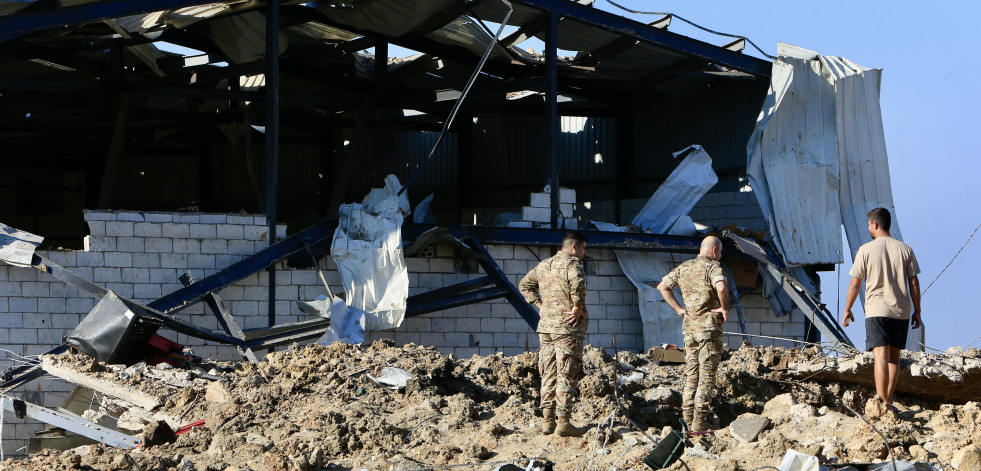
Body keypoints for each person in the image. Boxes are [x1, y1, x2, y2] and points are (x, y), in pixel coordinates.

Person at [842, 208, 921, 410]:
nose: (868, 227)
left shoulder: (865, 250)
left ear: (875, 224)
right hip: (900, 311)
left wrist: (847, 309)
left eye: (869, 224)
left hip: (876, 310)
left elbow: (855, 283)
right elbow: (913, 283)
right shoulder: (905, 249)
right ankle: (889, 400)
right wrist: (917, 311)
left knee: (880, 357)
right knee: (894, 358)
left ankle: (881, 401)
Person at [519, 231, 590, 437]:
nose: (585, 253)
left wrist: (541, 306)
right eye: (584, 248)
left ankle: (548, 422)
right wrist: (577, 306)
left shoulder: (544, 265)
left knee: (548, 372)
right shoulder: (573, 264)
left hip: (546, 327)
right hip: (567, 328)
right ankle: (564, 423)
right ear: (574, 246)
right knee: (567, 373)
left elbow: (525, 285)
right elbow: (577, 284)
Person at [656, 236, 729, 432]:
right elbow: (721, 287)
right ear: (714, 251)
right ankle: (699, 421)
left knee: (692, 375)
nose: (720, 256)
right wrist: (724, 308)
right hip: (708, 330)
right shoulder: (713, 267)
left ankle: (687, 420)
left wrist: (680, 310)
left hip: (690, 330)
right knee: (706, 375)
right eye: (720, 252)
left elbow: (662, 287)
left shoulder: (684, 267)